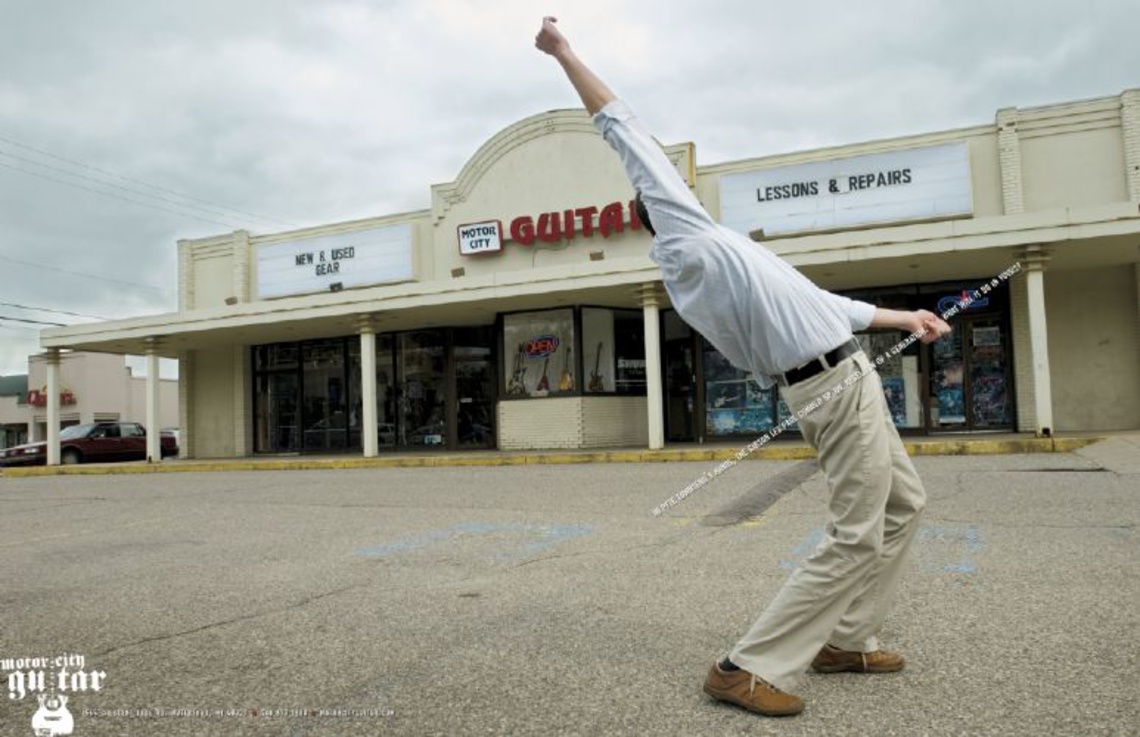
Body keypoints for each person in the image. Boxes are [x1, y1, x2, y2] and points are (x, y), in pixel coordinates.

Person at [534, 17, 952, 718]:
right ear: (661, 206)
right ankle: (746, 665)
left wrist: (903, 319)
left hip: (841, 374)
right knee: (855, 534)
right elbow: (623, 129)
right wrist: (566, 53)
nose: (679, 184)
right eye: (671, 187)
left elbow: (824, 304)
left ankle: (846, 638)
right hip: (833, 386)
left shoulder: (724, 257)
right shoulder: (690, 238)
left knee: (907, 505)